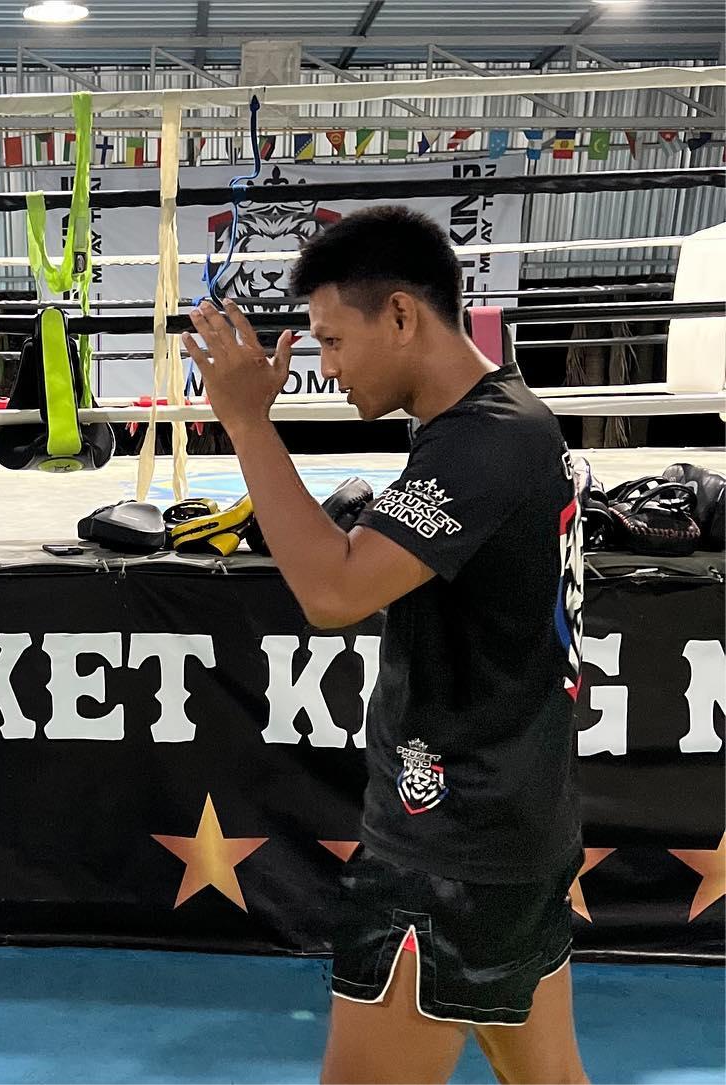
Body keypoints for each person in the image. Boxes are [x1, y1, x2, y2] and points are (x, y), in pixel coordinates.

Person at [185, 207, 588, 1085]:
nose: (324, 367)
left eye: (333, 340)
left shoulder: (483, 444)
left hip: (453, 846)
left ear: (402, 315)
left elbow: (332, 591)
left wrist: (248, 422)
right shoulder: (507, 419)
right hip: (513, 818)